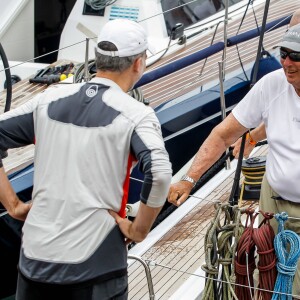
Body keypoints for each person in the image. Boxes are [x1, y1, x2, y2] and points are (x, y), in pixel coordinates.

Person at [0, 19, 172, 300]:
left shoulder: (48, 100)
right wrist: (139, 230)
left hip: (34, 259)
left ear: (97, 59)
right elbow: (161, 173)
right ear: (139, 64)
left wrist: (14, 205)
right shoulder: (135, 114)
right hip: (94, 266)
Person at [168, 23, 300, 296]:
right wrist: (189, 179)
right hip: (273, 203)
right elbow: (223, 135)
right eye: (284, 53)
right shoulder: (271, 85)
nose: (287, 62)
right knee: (267, 276)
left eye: (296, 56)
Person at [231, 8, 300, 159]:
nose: (287, 61)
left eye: (296, 53)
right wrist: (252, 136)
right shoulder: (277, 82)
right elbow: (283, 114)